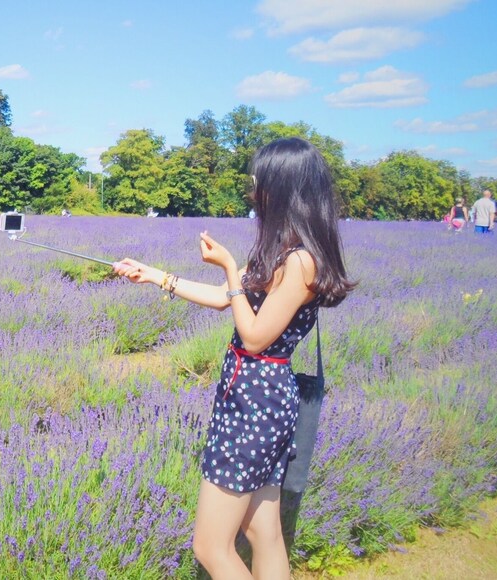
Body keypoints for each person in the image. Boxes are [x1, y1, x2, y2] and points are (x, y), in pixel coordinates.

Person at [113, 137, 355, 578]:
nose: (253, 190)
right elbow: (226, 300)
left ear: (285, 189)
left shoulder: (301, 262)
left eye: (260, 182)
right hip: (254, 400)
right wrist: (154, 276)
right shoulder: (284, 252)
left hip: (255, 406)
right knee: (264, 532)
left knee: (210, 547)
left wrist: (228, 269)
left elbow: (255, 335)